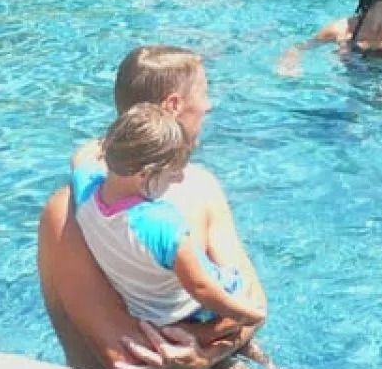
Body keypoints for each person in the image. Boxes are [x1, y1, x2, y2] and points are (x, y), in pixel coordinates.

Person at [37, 45, 268, 369]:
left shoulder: (201, 185)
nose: (209, 105)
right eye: (204, 93)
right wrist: (214, 340)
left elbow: (255, 301)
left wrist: (206, 354)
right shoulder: (66, 213)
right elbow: (121, 355)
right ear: (173, 106)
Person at [72, 103, 266, 331]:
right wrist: (247, 315)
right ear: (145, 174)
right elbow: (201, 287)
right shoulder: (161, 223)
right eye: (173, 173)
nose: (179, 179)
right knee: (245, 287)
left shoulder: (85, 190)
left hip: (145, 313)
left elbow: (81, 156)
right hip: (195, 311)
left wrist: (118, 140)